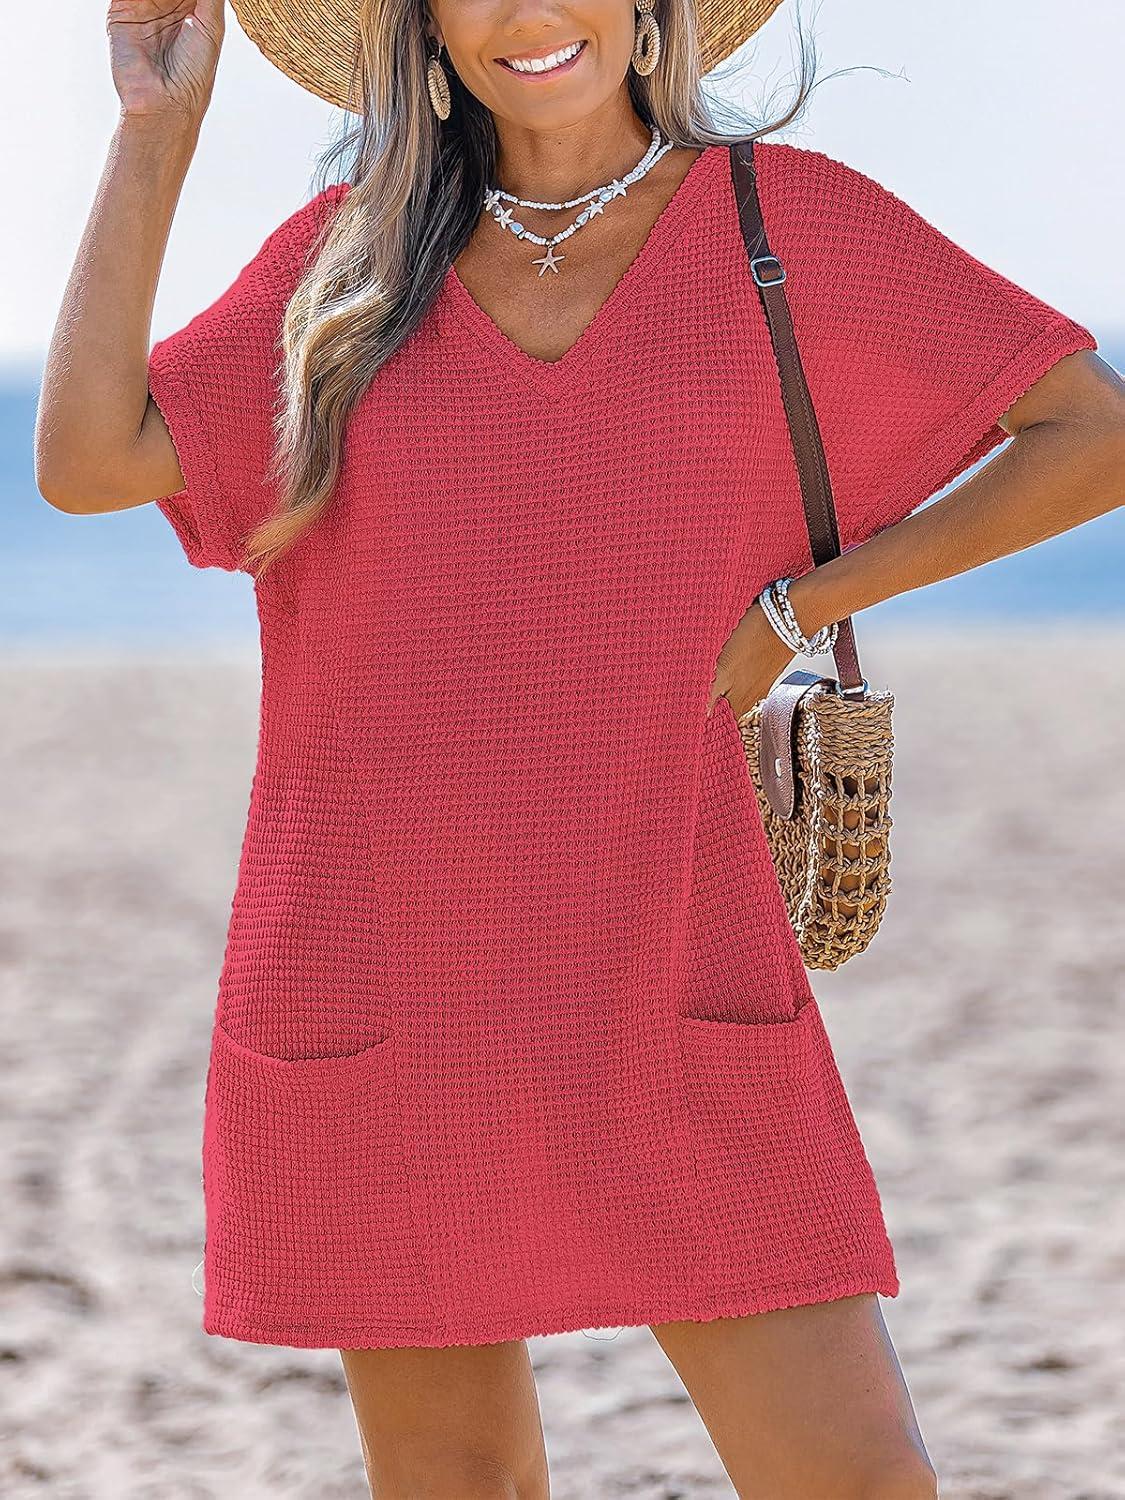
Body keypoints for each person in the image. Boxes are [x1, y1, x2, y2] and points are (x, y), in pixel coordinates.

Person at [36, 1, 1124, 1496]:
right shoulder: (344, 269)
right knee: (460, 1482)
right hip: (388, 976)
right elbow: (90, 461)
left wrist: (800, 607)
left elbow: (1090, 433)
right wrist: (157, 133)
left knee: (857, 1478)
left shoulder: (786, 227)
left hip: (675, 958)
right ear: (423, 25)